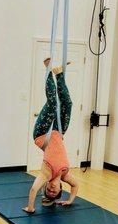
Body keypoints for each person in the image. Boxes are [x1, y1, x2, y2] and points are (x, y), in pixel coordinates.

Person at [23, 57, 79, 214]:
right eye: (55, 192)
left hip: (42, 134)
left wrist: (31, 207)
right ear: (61, 187)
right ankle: (58, 74)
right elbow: (75, 185)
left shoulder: (45, 174)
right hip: (58, 132)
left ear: (46, 186)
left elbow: (34, 189)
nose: (52, 189)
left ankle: (48, 69)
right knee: (68, 104)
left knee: (53, 104)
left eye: (49, 190)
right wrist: (69, 200)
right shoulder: (65, 174)